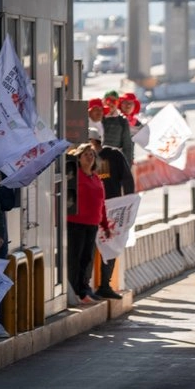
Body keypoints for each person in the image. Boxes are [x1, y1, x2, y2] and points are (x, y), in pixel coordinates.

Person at [90, 128, 135, 299]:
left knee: (110, 246)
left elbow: (127, 179)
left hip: (112, 208)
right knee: (89, 248)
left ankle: (105, 284)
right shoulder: (79, 157)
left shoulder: (114, 155)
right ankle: (85, 286)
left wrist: (128, 205)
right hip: (91, 209)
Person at [66, 145, 112, 306]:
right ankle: (75, 290)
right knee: (75, 258)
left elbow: (102, 204)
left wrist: (105, 226)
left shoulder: (96, 178)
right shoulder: (74, 177)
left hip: (92, 224)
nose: (89, 157)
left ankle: (84, 289)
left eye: (91, 154)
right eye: (85, 154)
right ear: (79, 158)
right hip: (76, 223)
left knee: (87, 259)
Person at [101, 90, 135, 164]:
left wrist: (127, 166)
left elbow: (127, 145)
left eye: (114, 101)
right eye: (108, 100)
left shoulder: (122, 120)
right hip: (99, 161)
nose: (111, 104)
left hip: (115, 161)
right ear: (103, 101)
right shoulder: (98, 117)